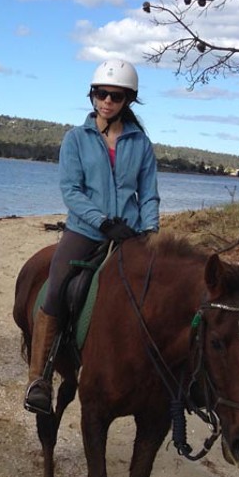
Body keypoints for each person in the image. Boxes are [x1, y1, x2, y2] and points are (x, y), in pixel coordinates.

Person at [24, 59, 160, 414]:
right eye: (101, 94)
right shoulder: (75, 139)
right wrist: (101, 222)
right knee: (55, 289)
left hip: (130, 232)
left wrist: (150, 231)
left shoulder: (141, 143)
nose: (107, 102)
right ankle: (39, 378)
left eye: (115, 96)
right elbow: (71, 190)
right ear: (93, 95)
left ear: (128, 100)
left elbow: (148, 193)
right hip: (85, 230)